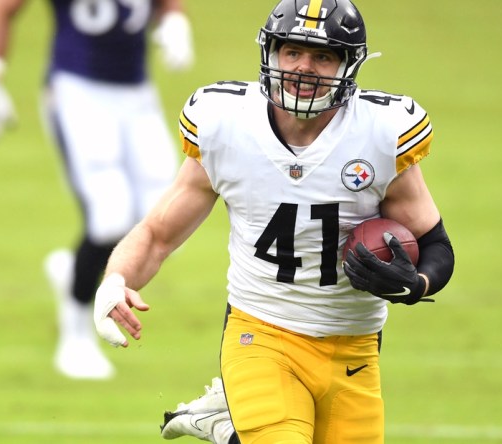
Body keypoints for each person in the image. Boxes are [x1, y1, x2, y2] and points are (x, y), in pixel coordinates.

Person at [93, 0, 455, 442]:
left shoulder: (379, 134)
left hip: (356, 344)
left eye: (323, 56)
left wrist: (415, 283)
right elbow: (157, 233)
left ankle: (229, 429)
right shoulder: (226, 124)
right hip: (262, 332)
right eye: (292, 52)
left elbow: (436, 244)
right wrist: (116, 280)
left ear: (348, 64)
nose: (304, 67)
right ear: (271, 54)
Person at [0, 0, 194, 380]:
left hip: (137, 93)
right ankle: (74, 337)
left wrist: (174, 20)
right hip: (78, 89)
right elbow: (3, 9)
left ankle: (77, 270)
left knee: (172, 217)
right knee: (109, 217)